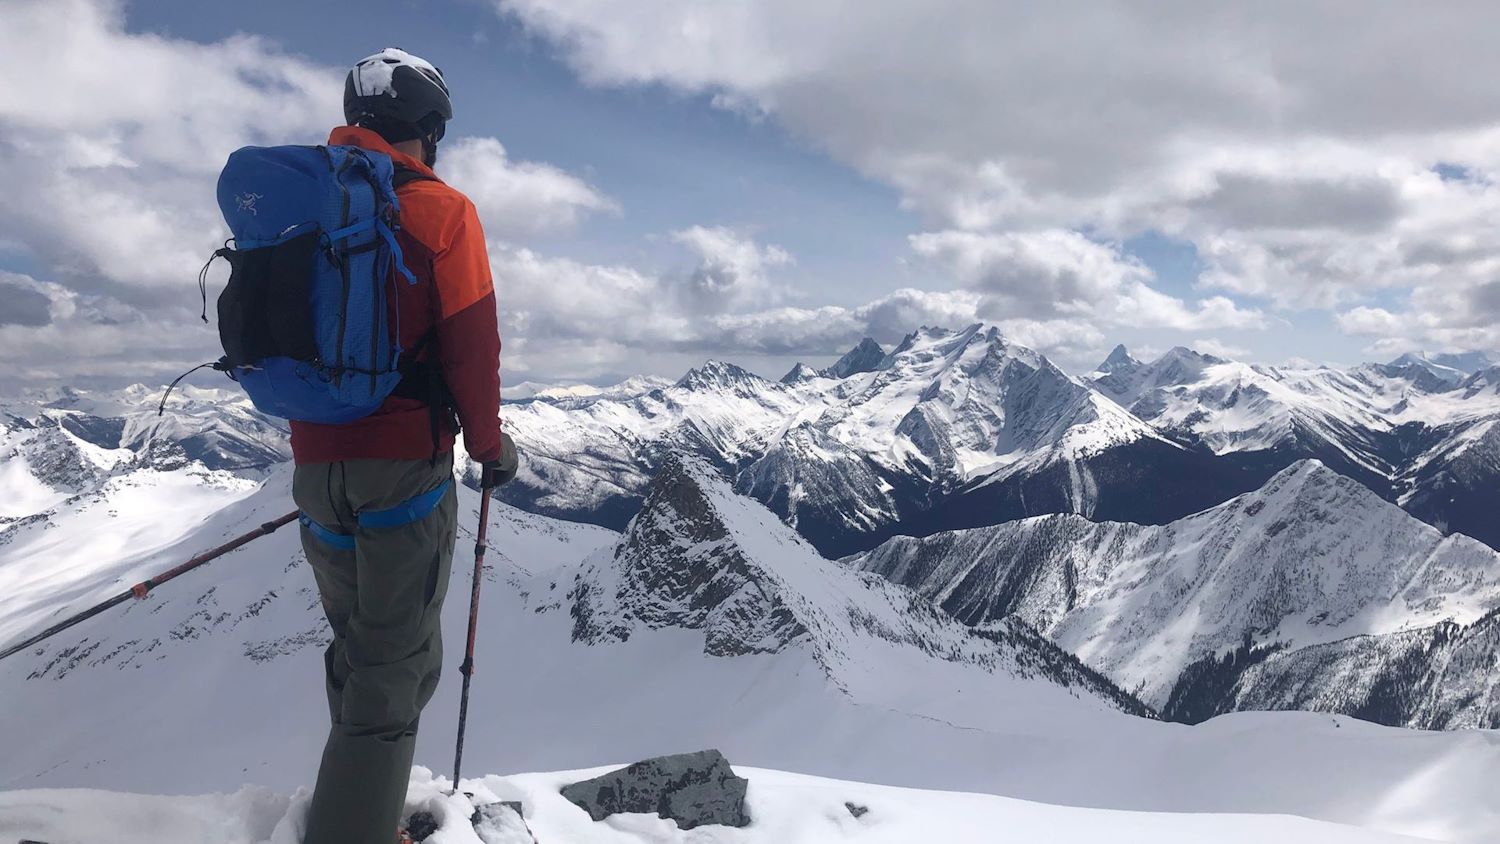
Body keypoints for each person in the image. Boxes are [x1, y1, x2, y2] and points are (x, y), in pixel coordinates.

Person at [289, 47, 516, 844]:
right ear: (431, 130)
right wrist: (490, 448)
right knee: (394, 672)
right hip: (401, 478)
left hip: (314, 471)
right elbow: (470, 351)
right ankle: (355, 832)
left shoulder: (301, 204)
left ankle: (364, 804)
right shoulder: (444, 213)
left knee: (365, 654)